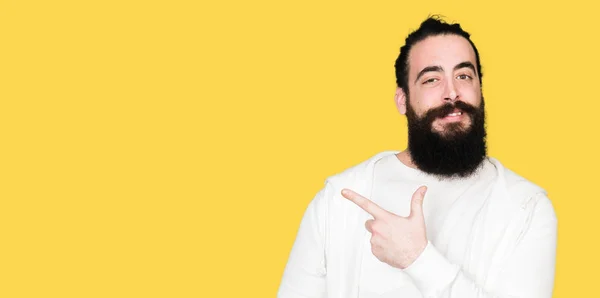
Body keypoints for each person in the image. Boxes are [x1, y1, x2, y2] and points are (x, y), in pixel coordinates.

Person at [277, 16, 558, 298]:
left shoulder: (526, 208)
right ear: (403, 100)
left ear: (480, 90)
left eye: (464, 76)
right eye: (432, 79)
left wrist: (418, 259)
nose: (452, 93)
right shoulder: (338, 201)